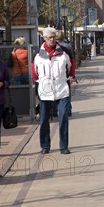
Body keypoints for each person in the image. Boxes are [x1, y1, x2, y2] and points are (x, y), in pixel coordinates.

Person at [32, 26, 75, 154]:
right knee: (44, 119)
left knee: (63, 117)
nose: (52, 40)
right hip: (45, 92)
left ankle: (64, 146)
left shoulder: (64, 52)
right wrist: (40, 82)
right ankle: (45, 146)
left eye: (54, 37)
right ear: (44, 38)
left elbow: (71, 65)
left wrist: (71, 77)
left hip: (62, 89)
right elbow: (34, 72)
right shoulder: (38, 54)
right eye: (49, 37)